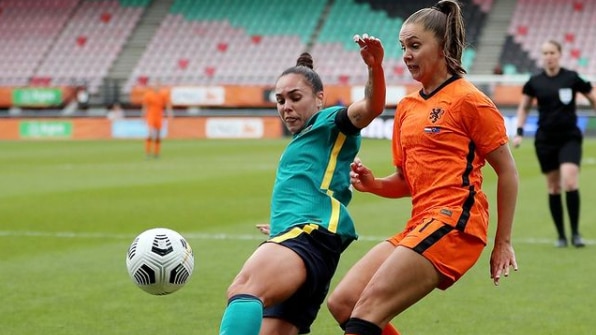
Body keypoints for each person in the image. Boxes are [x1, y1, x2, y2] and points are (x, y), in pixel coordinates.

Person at [324, 2, 520, 335]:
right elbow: (406, 181)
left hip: (456, 221)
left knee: (367, 311)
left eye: (415, 45)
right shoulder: (407, 107)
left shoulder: (469, 100)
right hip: (421, 221)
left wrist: (503, 242)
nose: (406, 55)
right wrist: (375, 185)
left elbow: (508, 172)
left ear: (442, 46)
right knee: (343, 302)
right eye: (403, 48)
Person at [218, 33, 386, 335]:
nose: (286, 107)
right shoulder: (303, 140)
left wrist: (374, 68)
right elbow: (316, 184)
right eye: (280, 100)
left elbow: (371, 107)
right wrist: (281, 226)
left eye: (295, 98)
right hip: (302, 238)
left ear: (319, 98)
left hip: (309, 236)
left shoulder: (330, 121)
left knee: (244, 288)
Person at [513, 39, 596, 248]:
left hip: (569, 137)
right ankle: (561, 235)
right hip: (545, 140)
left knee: (570, 181)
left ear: (559, 54)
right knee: (553, 187)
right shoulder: (534, 81)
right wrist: (520, 131)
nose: (549, 56)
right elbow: (524, 108)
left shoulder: (571, 77)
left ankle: (576, 233)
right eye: (545, 53)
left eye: (552, 52)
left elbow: (592, 96)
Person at [141, 81, 173, 159]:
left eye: (158, 86)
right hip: (151, 116)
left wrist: (170, 113)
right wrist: (143, 115)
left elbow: (167, 105)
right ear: (153, 86)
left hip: (159, 116)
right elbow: (145, 106)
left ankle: (156, 153)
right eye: (155, 85)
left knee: (158, 135)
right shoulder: (148, 95)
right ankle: (148, 153)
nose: (157, 87)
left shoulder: (163, 94)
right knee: (150, 133)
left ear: (160, 86)